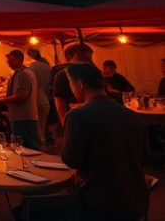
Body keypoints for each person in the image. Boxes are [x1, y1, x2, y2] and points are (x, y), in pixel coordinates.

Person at [61, 63, 149, 220]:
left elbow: (72, 160)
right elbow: (145, 157)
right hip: (136, 202)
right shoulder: (134, 116)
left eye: (71, 84)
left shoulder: (77, 116)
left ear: (79, 84)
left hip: (98, 202)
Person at [0, 50, 41, 150]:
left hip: (24, 116)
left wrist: (3, 100)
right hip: (17, 116)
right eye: (8, 60)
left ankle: (32, 164)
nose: (8, 63)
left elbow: (22, 95)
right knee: (21, 147)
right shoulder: (17, 73)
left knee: (28, 147)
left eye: (11, 60)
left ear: (19, 59)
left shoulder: (24, 74)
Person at [53, 43, 93, 127]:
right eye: (85, 57)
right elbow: (59, 99)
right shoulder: (64, 73)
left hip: (90, 116)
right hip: (73, 118)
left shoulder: (91, 71)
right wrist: (64, 121)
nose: (88, 60)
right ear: (76, 54)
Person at [26, 48, 52, 145]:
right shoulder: (46, 65)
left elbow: (28, 83)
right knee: (42, 125)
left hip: (35, 99)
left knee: (37, 126)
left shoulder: (34, 66)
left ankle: (40, 145)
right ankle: (43, 144)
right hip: (43, 97)